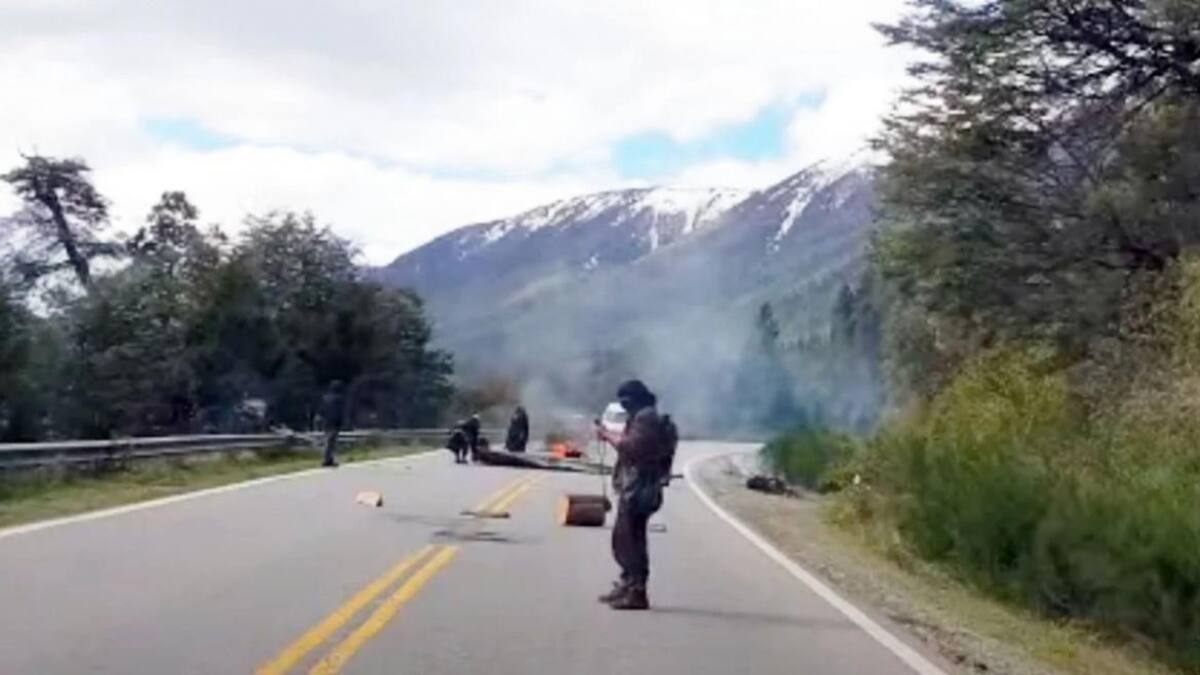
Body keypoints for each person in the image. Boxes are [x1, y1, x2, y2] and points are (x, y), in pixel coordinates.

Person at [594, 379, 675, 610]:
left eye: (626, 402)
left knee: (630, 540)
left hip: (640, 487)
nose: (624, 406)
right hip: (638, 484)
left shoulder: (646, 418)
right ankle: (628, 583)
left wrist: (607, 435)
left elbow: (632, 448)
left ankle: (636, 591)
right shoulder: (644, 416)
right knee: (625, 538)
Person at [318, 381, 347, 468]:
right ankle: (327, 460)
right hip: (335, 422)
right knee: (331, 442)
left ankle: (329, 459)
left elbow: (321, 410)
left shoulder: (325, 398)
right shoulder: (339, 399)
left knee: (328, 440)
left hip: (326, 421)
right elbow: (340, 412)